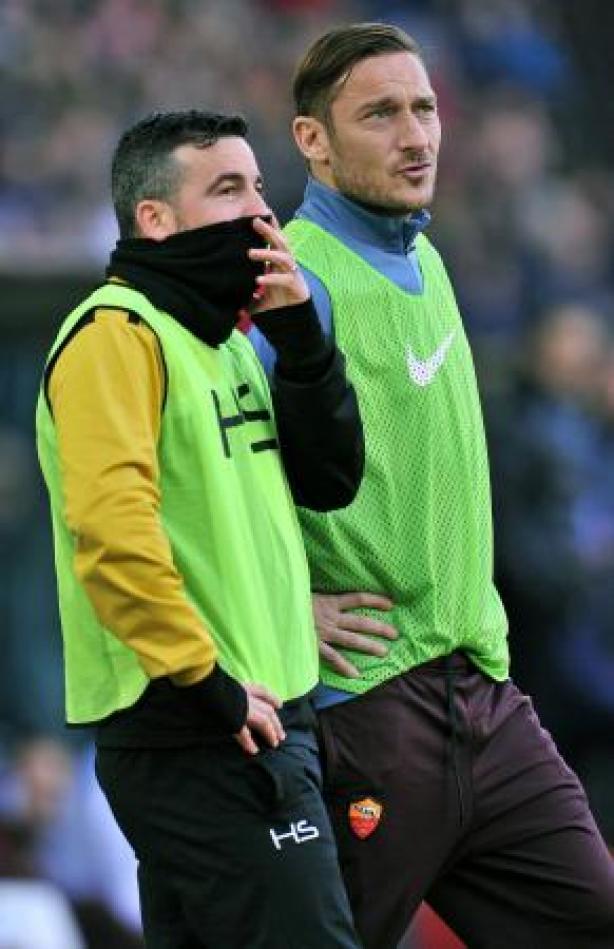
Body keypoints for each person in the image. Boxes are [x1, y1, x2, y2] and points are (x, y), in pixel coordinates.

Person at [250, 22, 614, 949]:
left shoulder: (428, 256)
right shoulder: (292, 286)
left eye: (425, 109)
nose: (416, 136)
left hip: (484, 689)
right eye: (381, 114)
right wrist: (285, 604)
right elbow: (209, 481)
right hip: (368, 706)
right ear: (312, 140)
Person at [35, 109, 364, 949]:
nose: (260, 211)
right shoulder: (115, 335)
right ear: (155, 217)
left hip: (259, 716)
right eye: (227, 189)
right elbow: (113, 535)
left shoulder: (223, 341)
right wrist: (208, 681)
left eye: (258, 186)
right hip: (204, 721)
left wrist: (301, 341)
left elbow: (330, 482)